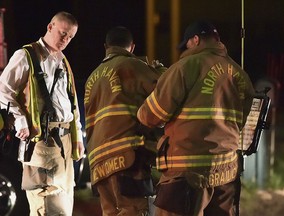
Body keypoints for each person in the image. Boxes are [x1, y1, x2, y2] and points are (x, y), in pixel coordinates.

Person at [137, 21, 255, 216]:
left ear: (195, 40)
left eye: (186, 45)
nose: (185, 50)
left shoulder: (185, 67)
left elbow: (152, 115)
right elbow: (241, 119)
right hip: (226, 172)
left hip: (187, 171)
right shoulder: (239, 74)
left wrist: (140, 112)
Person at [0, 11, 85, 215]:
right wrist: (21, 122)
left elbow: (71, 103)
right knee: (45, 207)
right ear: (50, 27)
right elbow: (3, 90)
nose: (65, 40)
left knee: (64, 207)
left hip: (63, 144)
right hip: (41, 143)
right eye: (63, 33)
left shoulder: (63, 61)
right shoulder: (26, 55)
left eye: (70, 37)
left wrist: (77, 137)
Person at [84, 26, 164, 215]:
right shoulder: (132, 65)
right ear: (132, 47)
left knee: (111, 212)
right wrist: (159, 68)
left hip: (98, 163)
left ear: (106, 47)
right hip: (125, 157)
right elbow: (166, 88)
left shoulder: (91, 79)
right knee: (133, 210)